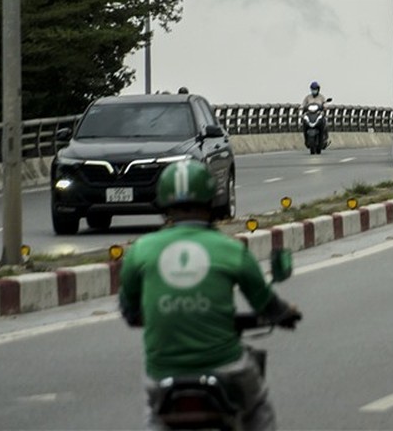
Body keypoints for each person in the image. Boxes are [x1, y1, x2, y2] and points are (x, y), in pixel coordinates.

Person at [119, 159, 301, 431]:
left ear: (163, 204)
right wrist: (286, 314)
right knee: (257, 406)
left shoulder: (140, 250)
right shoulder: (230, 250)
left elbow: (130, 312)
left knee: (155, 415)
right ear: (211, 201)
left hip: (163, 372)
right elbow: (266, 304)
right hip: (226, 366)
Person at [302, 81, 328, 148]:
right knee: (304, 123)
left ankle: (323, 139)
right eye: (313, 89)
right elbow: (303, 104)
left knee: (324, 123)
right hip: (310, 114)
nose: (314, 91)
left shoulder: (321, 97)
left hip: (318, 114)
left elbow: (325, 103)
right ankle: (306, 139)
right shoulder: (308, 97)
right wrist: (301, 107)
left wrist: (325, 107)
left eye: (315, 89)